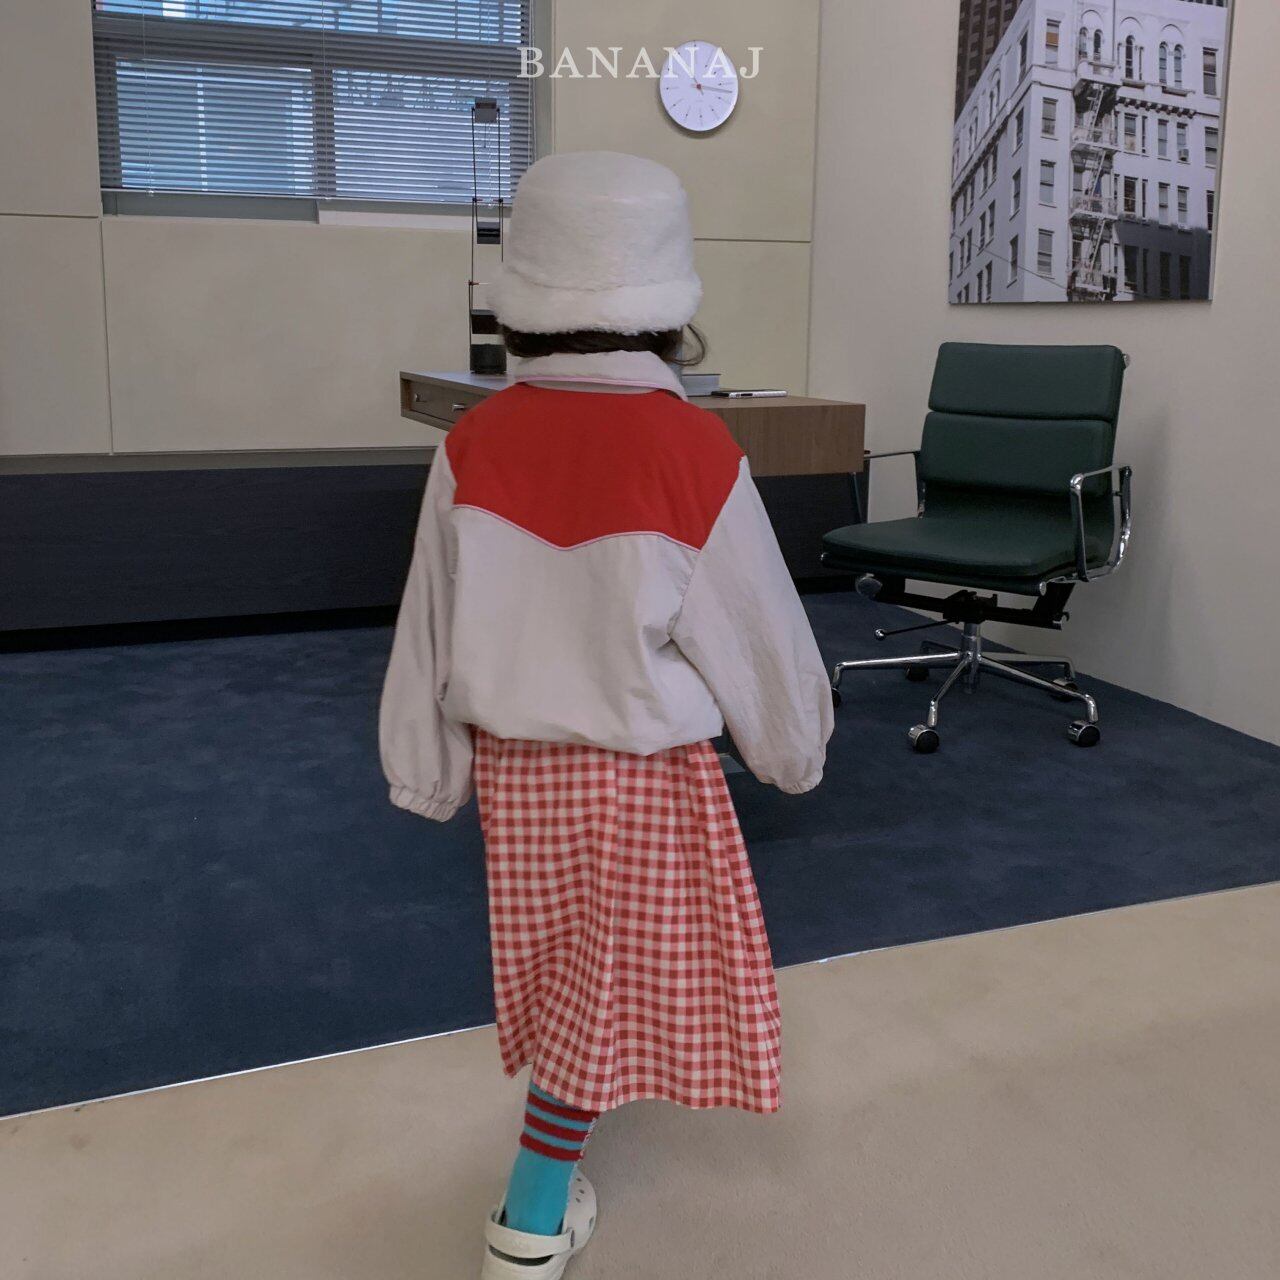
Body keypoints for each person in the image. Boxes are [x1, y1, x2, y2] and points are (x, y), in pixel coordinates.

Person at [379, 150, 833, 1279]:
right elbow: (759, 633)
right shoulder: (692, 450)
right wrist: (792, 750)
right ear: (669, 300)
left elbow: (428, 619)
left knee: (571, 968)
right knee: (598, 980)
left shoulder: (473, 443)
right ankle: (530, 1215)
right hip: (642, 774)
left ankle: (538, 1197)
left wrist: (427, 767)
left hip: (517, 774)